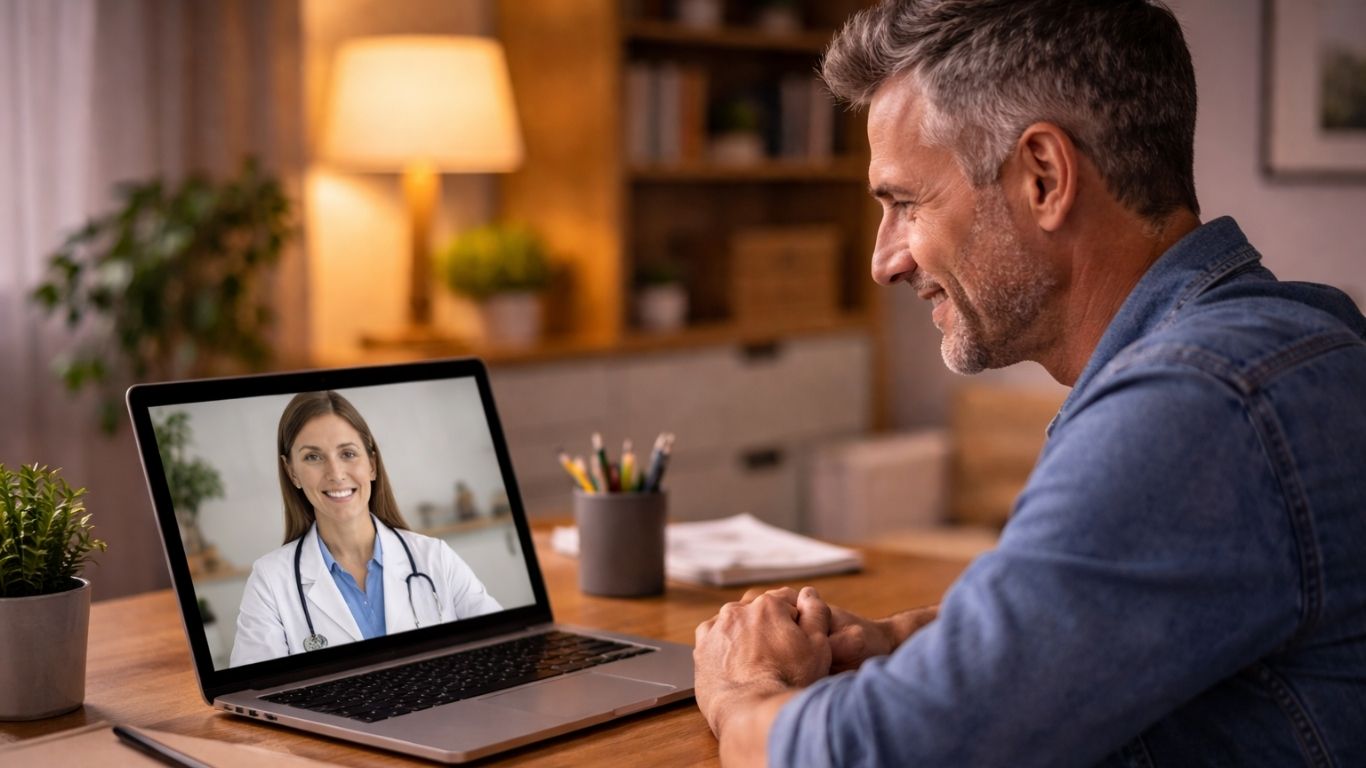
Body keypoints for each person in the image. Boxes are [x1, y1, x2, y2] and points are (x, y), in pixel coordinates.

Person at [692, 1, 1366, 765]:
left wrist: (741, 690)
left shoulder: (1196, 406)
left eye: (905, 203)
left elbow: (878, 754)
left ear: (1043, 176)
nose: (885, 260)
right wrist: (901, 642)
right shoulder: (1294, 336)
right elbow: (1138, 617)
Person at [231, 391, 501, 666]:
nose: (335, 473)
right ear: (292, 473)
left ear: (372, 464)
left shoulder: (436, 558)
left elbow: (503, 648)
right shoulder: (270, 581)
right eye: (313, 457)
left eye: (348, 453)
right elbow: (251, 693)